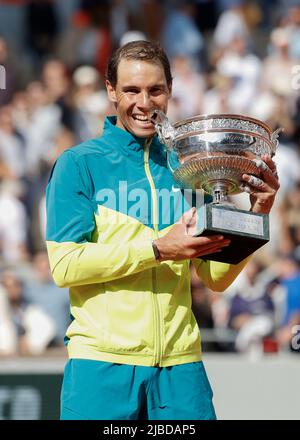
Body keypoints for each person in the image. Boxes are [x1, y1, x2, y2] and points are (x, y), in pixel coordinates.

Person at [45, 40, 280, 420]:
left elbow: (216, 277)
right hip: (101, 367)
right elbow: (65, 265)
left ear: (170, 89)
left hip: (181, 369)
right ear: (110, 91)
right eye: (131, 90)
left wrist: (258, 212)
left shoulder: (190, 167)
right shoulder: (78, 163)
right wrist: (157, 249)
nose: (144, 102)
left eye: (155, 90)